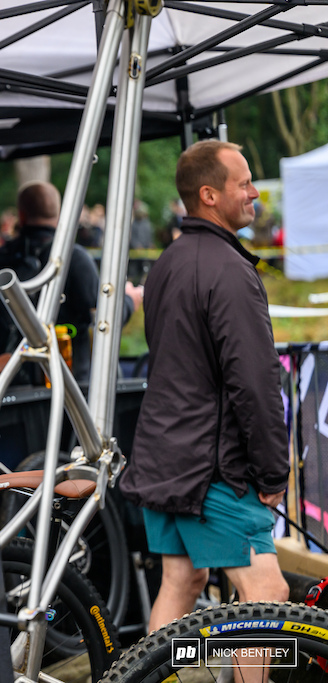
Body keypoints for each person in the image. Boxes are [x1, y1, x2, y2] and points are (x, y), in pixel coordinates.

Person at [120, 140, 290, 634]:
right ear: (210, 195)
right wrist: (273, 472)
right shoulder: (231, 271)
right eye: (244, 184)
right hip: (212, 469)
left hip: (165, 456)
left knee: (181, 581)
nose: (254, 192)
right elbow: (255, 383)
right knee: (267, 594)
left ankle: (151, 673)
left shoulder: (168, 261)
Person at [0, 181, 142, 383]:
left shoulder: (2, 258)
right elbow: (105, 319)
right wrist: (129, 300)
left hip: (8, 381)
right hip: (69, 384)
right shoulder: (74, 258)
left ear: (21, 215)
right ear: (61, 214)